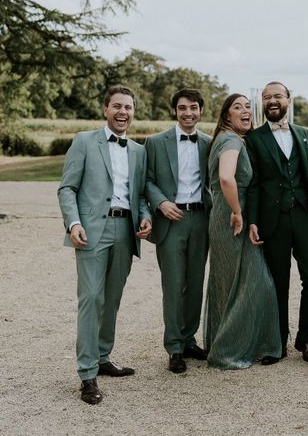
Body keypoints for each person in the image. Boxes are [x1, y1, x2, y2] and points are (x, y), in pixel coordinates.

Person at [57, 85, 152, 405]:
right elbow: (67, 188)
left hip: (125, 232)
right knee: (91, 299)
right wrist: (73, 223)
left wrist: (145, 216)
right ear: (105, 109)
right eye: (117, 106)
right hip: (91, 230)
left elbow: (139, 195)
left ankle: (102, 357)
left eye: (128, 107)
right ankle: (87, 374)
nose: (123, 112)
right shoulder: (85, 140)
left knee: (111, 299)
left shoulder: (139, 150)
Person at [203, 94, 282, 369]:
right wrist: (237, 211)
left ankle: (231, 344)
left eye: (248, 106)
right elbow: (226, 177)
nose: (245, 110)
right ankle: (228, 351)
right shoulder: (231, 140)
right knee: (257, 283)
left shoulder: (225, 139)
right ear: (226, 116)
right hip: (230, 217)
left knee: (230, 283)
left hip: (225, 216)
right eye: (238, 107)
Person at [246, 81, 308, 362]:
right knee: (278, 282)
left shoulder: (303, 133)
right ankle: (278, 342)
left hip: (302, 216)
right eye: (267, 98)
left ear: (289, 99)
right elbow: (253, 183)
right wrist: (253, 220)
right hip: (271, 220)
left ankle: (305, 339)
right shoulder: (254, 139)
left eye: (277, 96)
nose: (272, 101)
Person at [144, 88, 211, 374]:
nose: (188, 113)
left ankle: (188, 339)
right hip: (171, 219)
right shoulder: (156, 142)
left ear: (201, 111)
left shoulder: (209, 143)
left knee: (195, 283)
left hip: (200, 219)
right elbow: (145, 180)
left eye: (194, 108)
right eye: (183, 108)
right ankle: (173, 347)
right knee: (173, 284)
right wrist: (161, 203)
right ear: (175, 111)